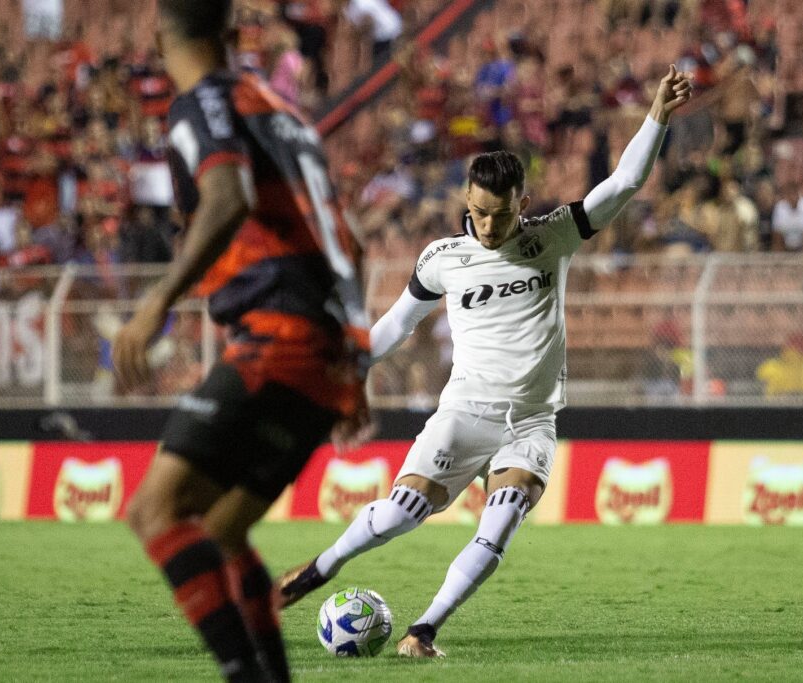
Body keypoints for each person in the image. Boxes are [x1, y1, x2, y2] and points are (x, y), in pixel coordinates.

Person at [274, 65, 693, 657]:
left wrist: (657, 115)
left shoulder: (552, 236)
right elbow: (397, 323)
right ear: (465, 201)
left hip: (531, 421)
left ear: (522, 202)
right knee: (401, 513)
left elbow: (623, 182)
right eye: (477, 212)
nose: (487, 225)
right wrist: (350, 365)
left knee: (498, 526)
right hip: (466, 410)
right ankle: (320, 568)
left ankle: (422, 631)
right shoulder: (443, 258)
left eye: (499, 213)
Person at [111, 2, 371, 681]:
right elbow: (354, 242)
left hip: (276, 334)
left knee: (155, 509)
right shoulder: (279, 109)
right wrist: (355, 365)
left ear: (159, 34)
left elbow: (227, 199)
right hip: (323, 352)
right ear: (231, 35)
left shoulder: (204, 104)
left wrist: (154, 304)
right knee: (221, 534)